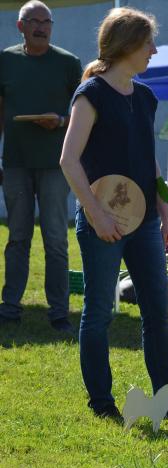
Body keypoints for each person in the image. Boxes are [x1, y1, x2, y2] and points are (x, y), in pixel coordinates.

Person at [60, 7, 168, 420]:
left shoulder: (146, 97)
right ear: (128, 44)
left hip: (147, 223)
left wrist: (165, 219)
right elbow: (68, 160)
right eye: (149, 42)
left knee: (158, 315)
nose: (154, 49)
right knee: (99, 314)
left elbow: (153, 166)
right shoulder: (90, 93)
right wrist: (96, 216)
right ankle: (102, 403)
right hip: (102, 224)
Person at [0, 1, 82, 331]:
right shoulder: (6, 60)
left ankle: (59, 311)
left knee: (55, 240)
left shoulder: (68, 63)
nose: (41, 27)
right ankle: (9, 307)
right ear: (20, 26)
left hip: (54, 164)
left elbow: (82, 111)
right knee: (17, 237)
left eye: (46, 21)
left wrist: (61, 120)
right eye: (34, 21)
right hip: (16, 163)